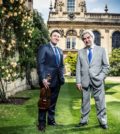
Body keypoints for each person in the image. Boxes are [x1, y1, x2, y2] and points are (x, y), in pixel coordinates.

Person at [76, 30, 109, 129]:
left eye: (88, 38)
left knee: (100, 102)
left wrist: (100, 77)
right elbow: (78, 67)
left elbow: (106, 66)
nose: (86, 40)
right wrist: (78, 81)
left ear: (92, 38)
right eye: (84, 39)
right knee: (85, 103)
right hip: (85, 81)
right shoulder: (80, 52)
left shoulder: (102, 50)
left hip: (98, 81)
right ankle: (83, 121)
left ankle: (103, 122)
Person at [37, 30, 65, 131]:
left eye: (58, 36)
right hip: (47, 80)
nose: (56, 38)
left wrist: (62, 77)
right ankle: (41, 123)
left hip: (57, 80)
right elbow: (40, 64)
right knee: (44, 102)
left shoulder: (60, 50)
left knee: (53, 102)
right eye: (54, 36)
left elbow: (61, 65)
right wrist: (43, 78)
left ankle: (51, 120)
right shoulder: (44, 48)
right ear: (50, 37)